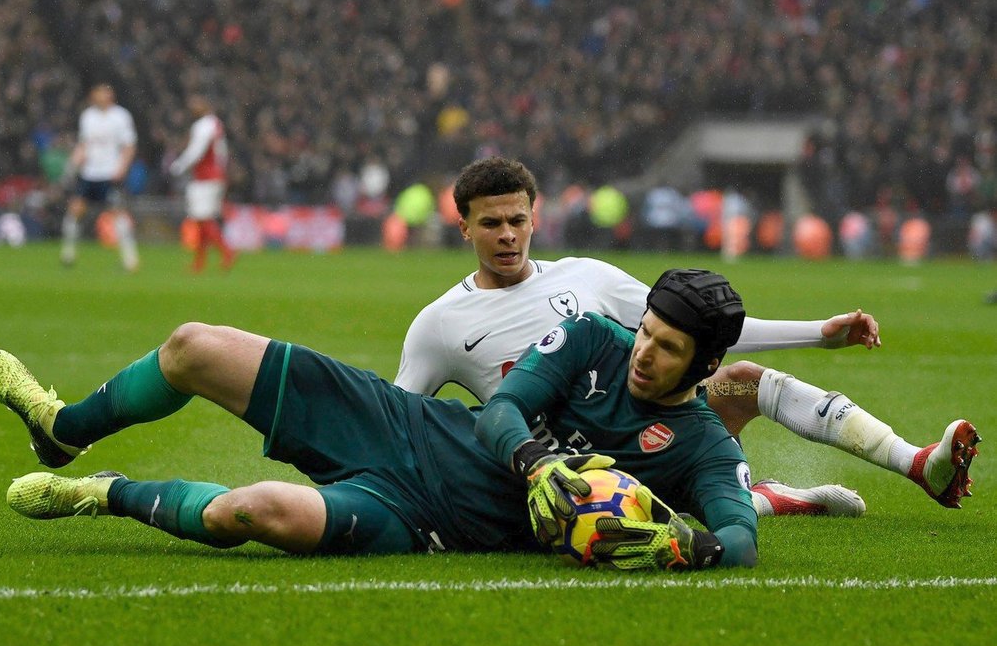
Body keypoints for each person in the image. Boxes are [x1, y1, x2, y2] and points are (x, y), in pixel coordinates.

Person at [0, 269, 778, 570]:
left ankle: (107, 491)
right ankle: (65, 428)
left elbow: (740, 537)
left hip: (427, 519)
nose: (644, 352)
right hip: (401, 425)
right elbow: (502, 407)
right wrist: (539, 463)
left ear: (705, 366)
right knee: (194, 347)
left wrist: (692, 544)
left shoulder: (701, 446)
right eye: (646, 331)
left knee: (251, 511)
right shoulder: (591, 338)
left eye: (667, 349)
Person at [396, 157, 977, 514]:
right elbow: (400, 420)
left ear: (535, 218)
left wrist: (821, 335)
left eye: (516, 220)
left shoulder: (588, 277)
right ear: (464, 225)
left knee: (741, 382)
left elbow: (697, 330)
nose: (506, 235)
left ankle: (918, 464)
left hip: (656, 434)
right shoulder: (440, 324)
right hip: (576, 479)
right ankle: (765, 498)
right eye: (490, 223)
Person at [60, 83, 140, 272]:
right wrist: (72, 165)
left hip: (110, 173)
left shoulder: (121, 116)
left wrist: (121, 168)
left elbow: (129, 145)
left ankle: (130, 259)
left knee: (118, 214)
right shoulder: (88, 116)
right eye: (97, 93)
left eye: (103, 93)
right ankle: (68, 254)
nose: (100, 97)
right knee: (75, 210)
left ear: (110, 96)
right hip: (89, 173)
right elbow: (84, 145)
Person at [169, 95, 235, 273]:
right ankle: (200, 261)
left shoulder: (204, 125)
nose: (192, 106)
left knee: (202, 218)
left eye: (196, 102)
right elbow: (221, 152)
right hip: (214, 176)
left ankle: (227, 251)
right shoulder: (215, 124)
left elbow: (196, 150)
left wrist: (178, 166)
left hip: (206, 178)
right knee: (202, 219)